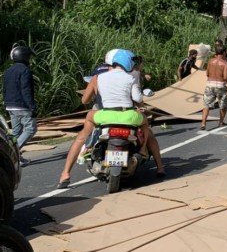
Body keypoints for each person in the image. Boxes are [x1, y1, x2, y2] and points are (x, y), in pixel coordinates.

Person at [58, 49, 164, 188]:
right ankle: (157, 164)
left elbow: (84, 100)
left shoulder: (98, 77)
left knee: (82, 136)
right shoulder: (132, 76)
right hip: (128, 115)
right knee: (147, 130)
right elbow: (137, 99)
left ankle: (66, 172)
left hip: (103, 114)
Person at [3, 46, 37, 166]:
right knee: (30, 129)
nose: (30, 59)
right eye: (29, 57)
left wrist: (6, 104)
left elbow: (4, 89)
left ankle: (17, 159)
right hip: (22, 106)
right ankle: (12, 153)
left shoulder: (8, 71)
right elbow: (26, 90)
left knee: (16, 132)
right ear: (25, 57)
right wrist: (32, 106)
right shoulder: (25, 70)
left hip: (10, 106)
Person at [201, 45, 227, 130]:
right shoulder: (225, 63)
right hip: (220, 86)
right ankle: (221, 122)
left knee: (206, 105)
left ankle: (203, 123)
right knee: (223, 105)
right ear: (224, 52)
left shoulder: (210, 61)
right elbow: (225, 77)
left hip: (209, 85)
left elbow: (207, 73)